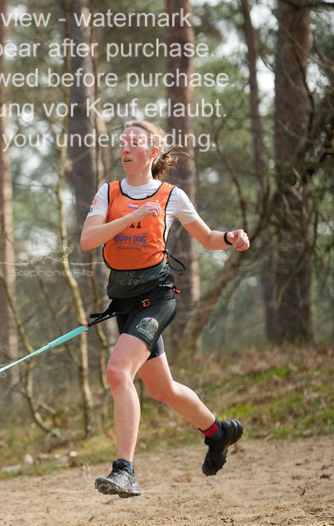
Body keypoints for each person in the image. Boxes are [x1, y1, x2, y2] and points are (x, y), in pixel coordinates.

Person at [80, 119, 250, 497]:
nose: (125, 148)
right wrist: (130, 218)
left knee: (117, 372)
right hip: (124, 301)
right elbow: (88, 240)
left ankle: (124, 470)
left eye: (134, 142)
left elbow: (206, 238)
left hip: (157, 300)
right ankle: (218, 432)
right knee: (162, 389)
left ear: (152, 152)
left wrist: (231, 237)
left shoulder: (171, 195)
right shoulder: (108, 193)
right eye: (122, 142)